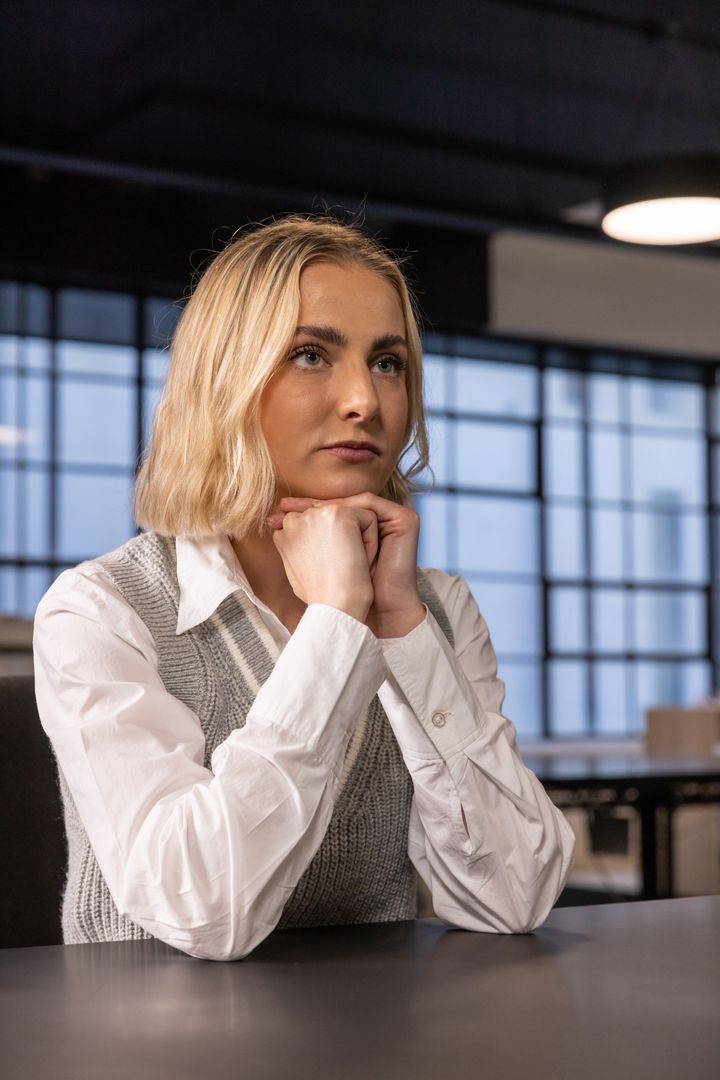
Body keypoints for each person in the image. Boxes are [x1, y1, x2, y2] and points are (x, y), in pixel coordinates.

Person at [33, 212, 575, 962]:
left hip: (374, 1045)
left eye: (388, 363)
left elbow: (513, 897)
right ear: (224, 382)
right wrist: (333, 626)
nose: (365, 400)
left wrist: (399, 625)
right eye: (312, 354)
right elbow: (204, 913)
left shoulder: (437, 610)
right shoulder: (101, 611)